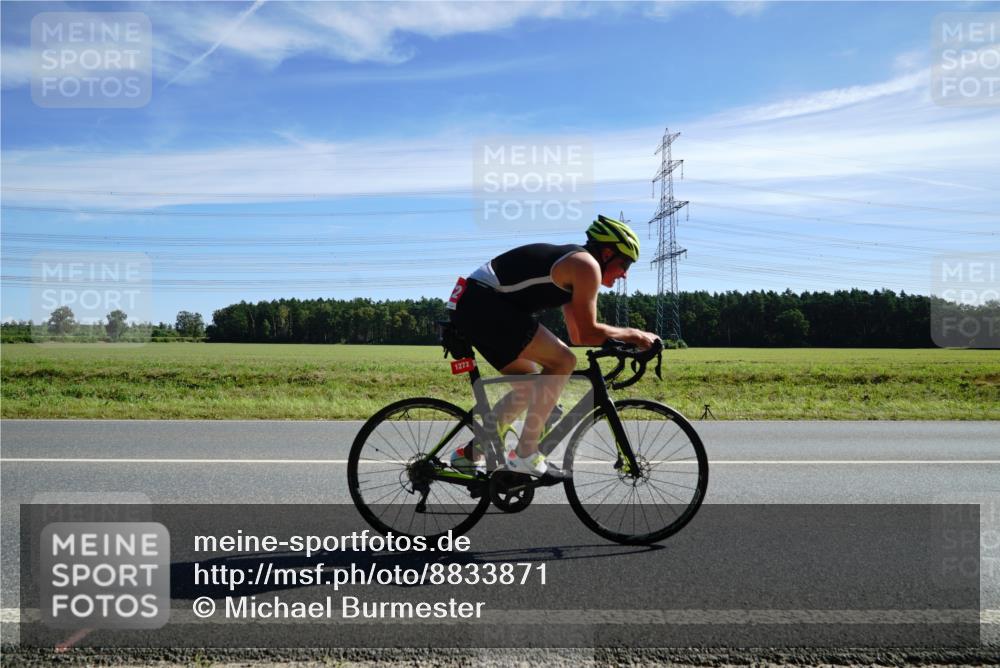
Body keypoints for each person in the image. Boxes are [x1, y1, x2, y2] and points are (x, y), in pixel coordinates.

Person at [447, 215, 659, 479]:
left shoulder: (577, 266)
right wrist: (636, 335)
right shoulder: (586, 265)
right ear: (607, 254)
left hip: (474, 303)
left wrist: (622, 341)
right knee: (563, 361)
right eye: (625, 263)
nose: (625, 273)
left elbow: (578, 335)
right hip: (484, 302)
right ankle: (525, 455)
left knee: (530, 388)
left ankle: (469, 455)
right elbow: (588, 332)